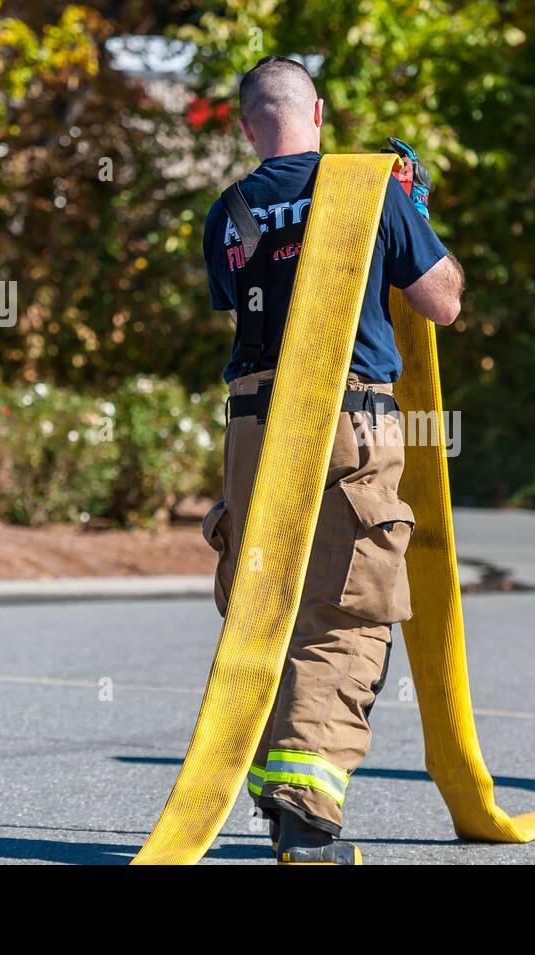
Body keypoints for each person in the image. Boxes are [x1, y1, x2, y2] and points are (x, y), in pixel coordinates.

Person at [199, 55, 465, 863]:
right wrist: (415, 216)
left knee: (264, 604)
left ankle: (272, 776)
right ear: (319, 112)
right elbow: (442, 300)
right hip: (347, 418)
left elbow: (245, 303)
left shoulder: (229, 210)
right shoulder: (366, 189)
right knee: (347, 610)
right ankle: (307, 811)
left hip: (253, 423)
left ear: (248, 126)